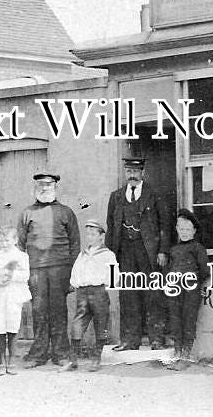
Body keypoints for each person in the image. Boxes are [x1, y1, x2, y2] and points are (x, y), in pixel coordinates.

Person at [106, 157, 172, 351]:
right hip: (125, 251)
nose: (132, 176)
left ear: (142, 172)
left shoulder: (155, 195)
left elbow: (165, 225)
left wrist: (162, 250)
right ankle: (130, 340)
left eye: (135, 172)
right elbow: (111, 227)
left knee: (153, 294)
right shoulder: (116, 197)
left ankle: (156, 339)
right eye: (129, 172)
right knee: (128, 295)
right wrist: (111, 255)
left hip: (148, 252)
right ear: (125, 173)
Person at [17, 171, 81, 368]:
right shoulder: (27, 213)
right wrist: (23, 273)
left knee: (58, 311)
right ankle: (38, 353)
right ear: (36, 188)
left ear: (55, 187)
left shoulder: (66, 212)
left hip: (60, 269)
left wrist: (72, 275)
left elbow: (75, 245)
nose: (44, 188)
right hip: (36, 270)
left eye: (48, 185)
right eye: (40, 185)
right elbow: (19, 246)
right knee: (39, 311)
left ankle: (61, 353)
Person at [62, 219, 118, 372]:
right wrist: (76, 283)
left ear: (101, 236)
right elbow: (75, 272)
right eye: (88, 234)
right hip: (83, 293)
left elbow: (114, 276)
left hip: (99, 292)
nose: (90, 237)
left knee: (101, 325)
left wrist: (105, 287)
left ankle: (96, 359)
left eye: (94, 234)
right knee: (78, 324)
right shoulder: (83, 254)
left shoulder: (107, 254)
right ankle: (72, 360)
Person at [0, 229, 31, 376]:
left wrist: (9, 275)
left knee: (13, 326)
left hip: (14, 295)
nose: (4, 244)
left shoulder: (21, 257)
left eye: (7, 240)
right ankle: (1, 362)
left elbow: (25, 274)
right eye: (1, 241)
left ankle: (11, 361)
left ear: (15, 240)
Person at [167, 208, 208, 367]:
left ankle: (185, 355)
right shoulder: (173, 249)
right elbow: (169, 269)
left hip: (191, 290)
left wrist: (194, 282)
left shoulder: (198, 248)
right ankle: (177, 352)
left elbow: (204, 270)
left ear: (194, 230)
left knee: (188, 320)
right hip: (174, 289)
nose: (184, 232)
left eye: (188, 229)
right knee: (176, 320)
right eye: (181, 229)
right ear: (177, 229)